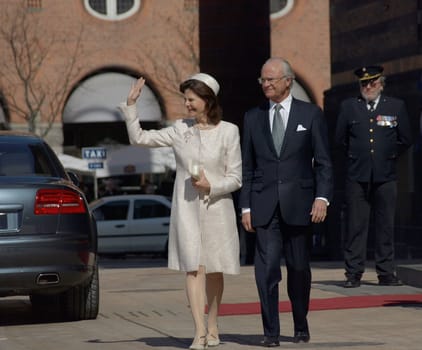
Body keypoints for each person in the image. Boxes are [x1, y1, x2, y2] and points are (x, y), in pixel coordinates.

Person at [120, 73, 242, 350]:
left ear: (207, 100)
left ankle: (213, 325)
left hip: (217, 209)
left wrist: (213, 185)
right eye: (185, 99)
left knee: (214, 270)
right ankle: (199, 332)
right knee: (193, 268)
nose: (186, 104)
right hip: (187, 209)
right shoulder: (179, 129)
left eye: (191, 99)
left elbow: (236, 178)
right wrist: (131, 105)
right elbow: (139, 138)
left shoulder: (229, 131)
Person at [239, 57, 333, 346]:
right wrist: (246, 206)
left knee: (299, 269)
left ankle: (300, 324)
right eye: (262, 80)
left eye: (271, 79)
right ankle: (270, 332)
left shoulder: (311, 114)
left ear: (287, 81)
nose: (265, 84)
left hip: (300, 205)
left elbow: (324, 163)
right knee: (265, 271)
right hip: (264, 206)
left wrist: (322, 197)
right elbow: (248, 166)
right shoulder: (252, 117)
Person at [335, 65, 413, 288]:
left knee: (385, 225)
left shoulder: (395, 106)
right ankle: (353, 273)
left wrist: (388, 156)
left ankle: (386, 273)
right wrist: (355, 159)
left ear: (381, 83)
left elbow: (405, 139)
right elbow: (340, 140)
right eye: (363, 83)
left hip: (385, 175)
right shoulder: (349, 107)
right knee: (356, 226)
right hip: (357, 176)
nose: (368, 86)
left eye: (372, 82)